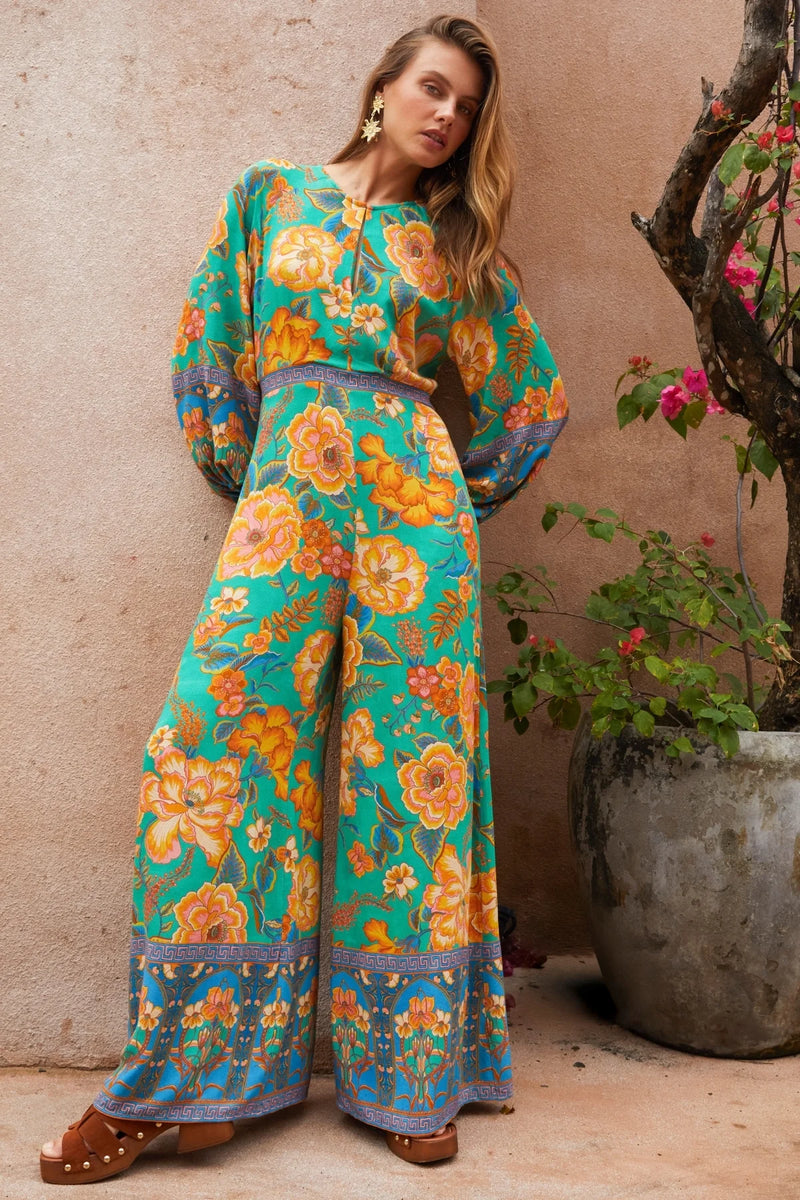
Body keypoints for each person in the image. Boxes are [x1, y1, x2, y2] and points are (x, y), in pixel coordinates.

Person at [39, 12, 567, 1183]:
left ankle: (413, 1077)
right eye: (433, 89)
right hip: (284, 513)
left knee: (408, 779)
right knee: (206, 744)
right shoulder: (268, 195)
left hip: (411, 530)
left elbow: (530, 402)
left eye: (467, 106)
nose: (447, 115)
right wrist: (265, 482)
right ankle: (191, 1085)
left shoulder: (449, 247)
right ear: (382, 89)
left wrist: (442, 502)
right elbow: (206, 347)